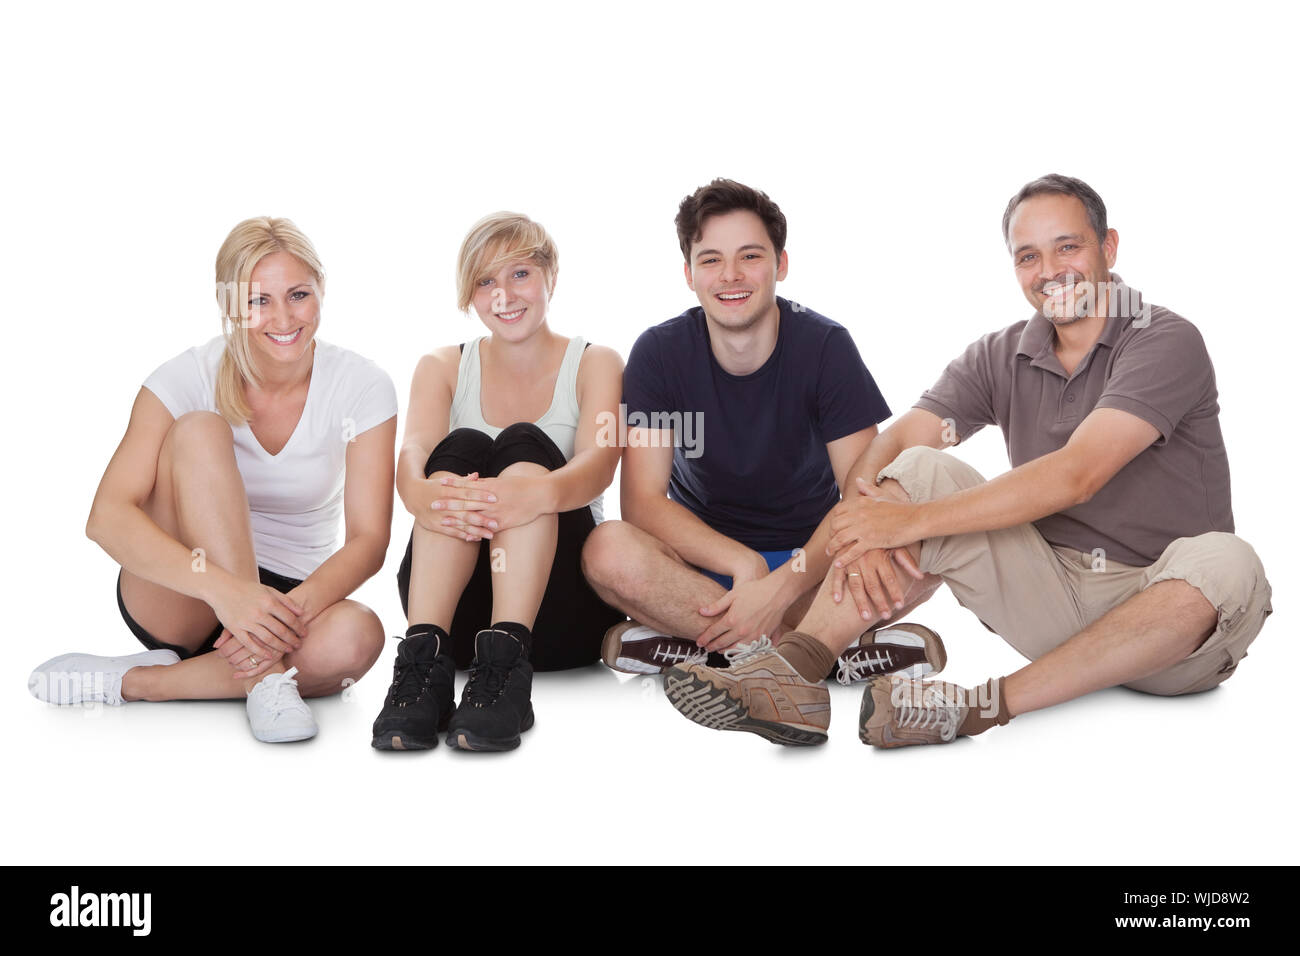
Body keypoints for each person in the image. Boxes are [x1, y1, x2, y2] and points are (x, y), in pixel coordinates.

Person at [661, 173, 1272, 748]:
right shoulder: (1005, 353)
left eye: (1067, 247)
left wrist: (908, 524)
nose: (1049, 270)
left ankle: (968, 706)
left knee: (1229, 560)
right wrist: (868, 511)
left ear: (1108, 246)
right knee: (918, 470)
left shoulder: (1163, 338)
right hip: (1054, 599)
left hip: (1175, 624)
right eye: (1028, 256)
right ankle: (792, 672)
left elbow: (1078, 474)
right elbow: (901, 441)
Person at [581, 178, 948, 746]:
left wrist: (780, 586)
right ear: (689, 273)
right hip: (706, 570)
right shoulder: (659, 351)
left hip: (818, 567)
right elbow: (643, 503)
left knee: (928, 533)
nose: (731, 276)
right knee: (606, 548)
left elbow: (863, 494)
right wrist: (747, 566)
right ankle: (820, 656)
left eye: (749, 257)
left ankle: (711, 653)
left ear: (779, 263)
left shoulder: (825, 347)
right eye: (711, 259)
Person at [28, 217, 398, 743]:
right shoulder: (186, 376)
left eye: (298, 294)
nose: (283, 317)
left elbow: (369, 540)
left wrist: (272, 619)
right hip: (183, 595)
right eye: (258, 301)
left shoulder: (363, 386)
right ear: (229, 307)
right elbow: (105, 518)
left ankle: (141, 682)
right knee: (200, 430)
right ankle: (267, 680)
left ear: (320, 293)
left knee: (360, 635)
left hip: (293, 599)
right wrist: (230, 595)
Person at [371, 211, 624, 753]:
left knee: (524, 443)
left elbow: (600, 466)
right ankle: (420, 670)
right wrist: (425, 493)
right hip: (456, 617)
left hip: (559, 614)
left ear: (550, 277)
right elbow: (414, 456)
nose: (504, 295)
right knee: (460, 450)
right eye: (486, 281)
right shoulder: (441, 365)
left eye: (520, 274)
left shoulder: (596, 362)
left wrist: (533, 492)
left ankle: (508, 666)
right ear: (470, 293)